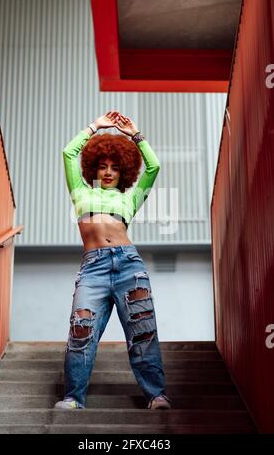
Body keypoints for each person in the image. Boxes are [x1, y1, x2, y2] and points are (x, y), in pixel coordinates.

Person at [54, 111, 171, 410]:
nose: (108, 172)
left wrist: (135, 135)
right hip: (93, 269)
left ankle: (156, 396)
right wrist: (95, 127)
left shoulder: (129, 198)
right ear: (94, 168)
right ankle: (73, 398)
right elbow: (68, 152)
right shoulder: (80, 191)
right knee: (81, 332)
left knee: (142, 331)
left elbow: (154, 166)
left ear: (123, 173)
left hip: (128, 266)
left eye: (115, 168)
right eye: (103, 166)